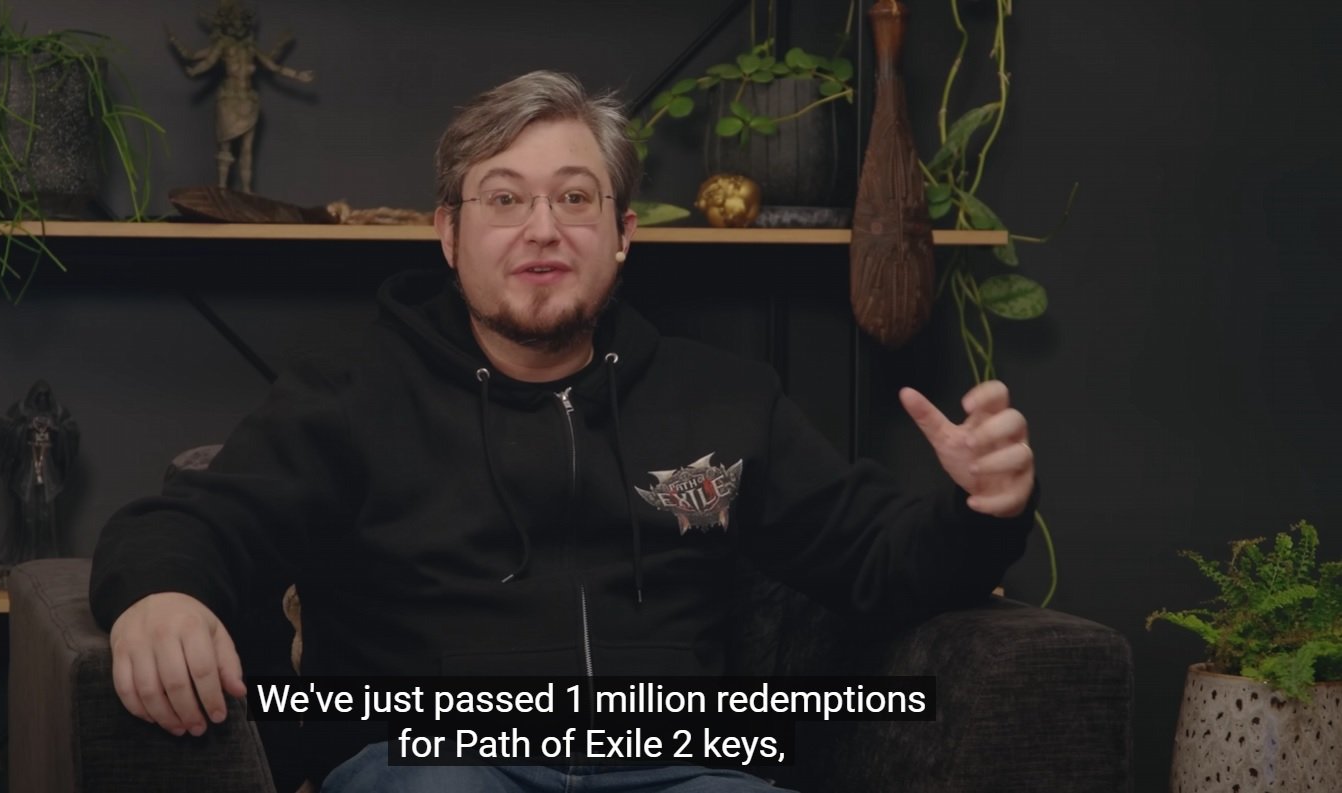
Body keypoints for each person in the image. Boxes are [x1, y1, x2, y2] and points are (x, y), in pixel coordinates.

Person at [90, 70, 1038, 792]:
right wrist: (162, 594)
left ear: (621, 233)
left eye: (574, 198)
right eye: (504, 198)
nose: (542, 228)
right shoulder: (350, 393)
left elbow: (877, 556)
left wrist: (982, 509)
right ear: (449, 233)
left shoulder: (726, 398)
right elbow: (188, 522)